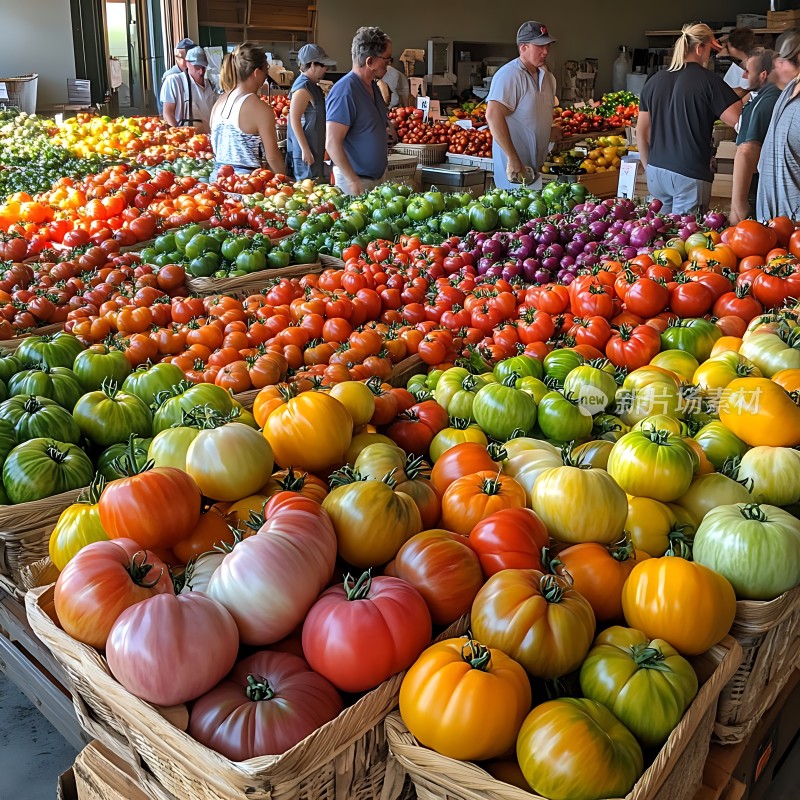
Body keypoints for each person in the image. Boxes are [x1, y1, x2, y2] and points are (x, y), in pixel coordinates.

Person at [638, 23, 742, 215]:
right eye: (710, 50)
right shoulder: (708, 81)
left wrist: (649, 168)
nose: (710, 56)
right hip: (689, 173)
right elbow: (739, 120)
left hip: (656, 172)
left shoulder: (654, 81)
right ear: (699, 48)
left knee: (661, 231)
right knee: (688, 233)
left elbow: (642, 132)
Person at [485, 21, 558, 190]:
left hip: (537, 168)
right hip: (515, 172)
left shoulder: (548, 77)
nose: (545, 51)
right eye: (539, 46)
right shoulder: (509, 75)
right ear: (523, 48)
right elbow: (493, 115)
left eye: (547, 45)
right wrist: (512, 158)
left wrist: (550, 130)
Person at [325, 27, 392, 196]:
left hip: (376, 178)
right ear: (370, 62)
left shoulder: (374, 87)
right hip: (356, 181)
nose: (389, 65)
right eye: (386, 60)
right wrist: (352, 180)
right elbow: (332, 143)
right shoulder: (345, 92)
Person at [209, 42, 286, 181]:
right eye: (266, 71)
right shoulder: (260, 108)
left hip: (217, 181)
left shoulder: (219, 101)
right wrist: (285, 182)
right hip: (246, 185)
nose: (266, 77)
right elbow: (273, 157)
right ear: (257, 73)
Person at [730, 49, 780, 224]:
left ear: (763, 75)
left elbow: (747, 150)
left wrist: (738, 204)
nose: (744, 75)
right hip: (752, 182)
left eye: (748, 71)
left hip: (756, 185)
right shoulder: (757, 97)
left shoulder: (768, 100)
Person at [756, 30, 800, 221]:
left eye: (783, 60)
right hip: (772, 224)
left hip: (794, 226)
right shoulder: (788, 91)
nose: (777, 64)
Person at [287, 43, 335, 180]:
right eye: (323, 65)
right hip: (306, 154)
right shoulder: (302, 88)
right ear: (313, 64)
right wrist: (305, 149)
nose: (326, 69)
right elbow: (294, 119)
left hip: (315, 149)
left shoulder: (313, 85)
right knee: (307, 189)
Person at [160, 47, 216, 133]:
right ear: (187, 63)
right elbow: (168, 113)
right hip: (187, 137)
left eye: (203, 67)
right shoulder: (174, 81)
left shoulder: (210, 85)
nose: (201, 72)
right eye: (197, 67)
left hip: (208, 136)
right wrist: (177, 135)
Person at [158, 37, 194, 113]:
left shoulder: (194, 72)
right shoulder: (170, 76)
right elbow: (164, 106)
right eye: (189, 59)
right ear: (178, 58)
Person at [719, 28, 757, 98]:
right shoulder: (744, 63)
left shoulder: (749, 66)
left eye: (729, 45)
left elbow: (743, 91)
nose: (726, 48)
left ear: (736, 47)